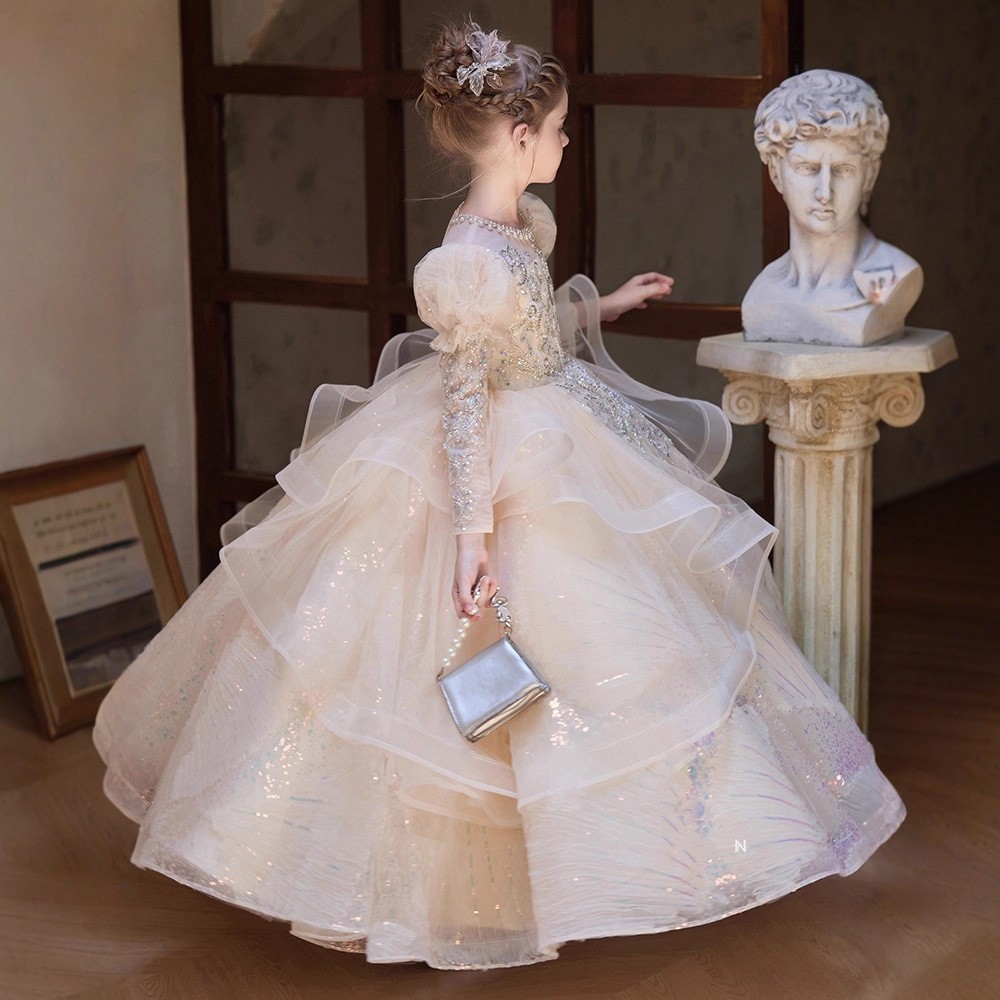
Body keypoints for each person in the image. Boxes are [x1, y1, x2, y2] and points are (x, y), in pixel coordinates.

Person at [92, 22, 906, 971]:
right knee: (450, 670)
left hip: (549, 422)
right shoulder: (465, 263)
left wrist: (601, 306)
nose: (565, 142)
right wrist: (473, 534)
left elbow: (527, 326)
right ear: (519, 138)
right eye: (556, 129)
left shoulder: (518, 228)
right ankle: (442, 889)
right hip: (500, 456)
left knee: (605, 644)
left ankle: (592, 862)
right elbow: (466, 398)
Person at [742, 68, 923, 346]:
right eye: (807, 168)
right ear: (776, 173)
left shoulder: (892, 274)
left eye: (843, 169)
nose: (825, 193)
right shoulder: (763, 293)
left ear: (869, 175)